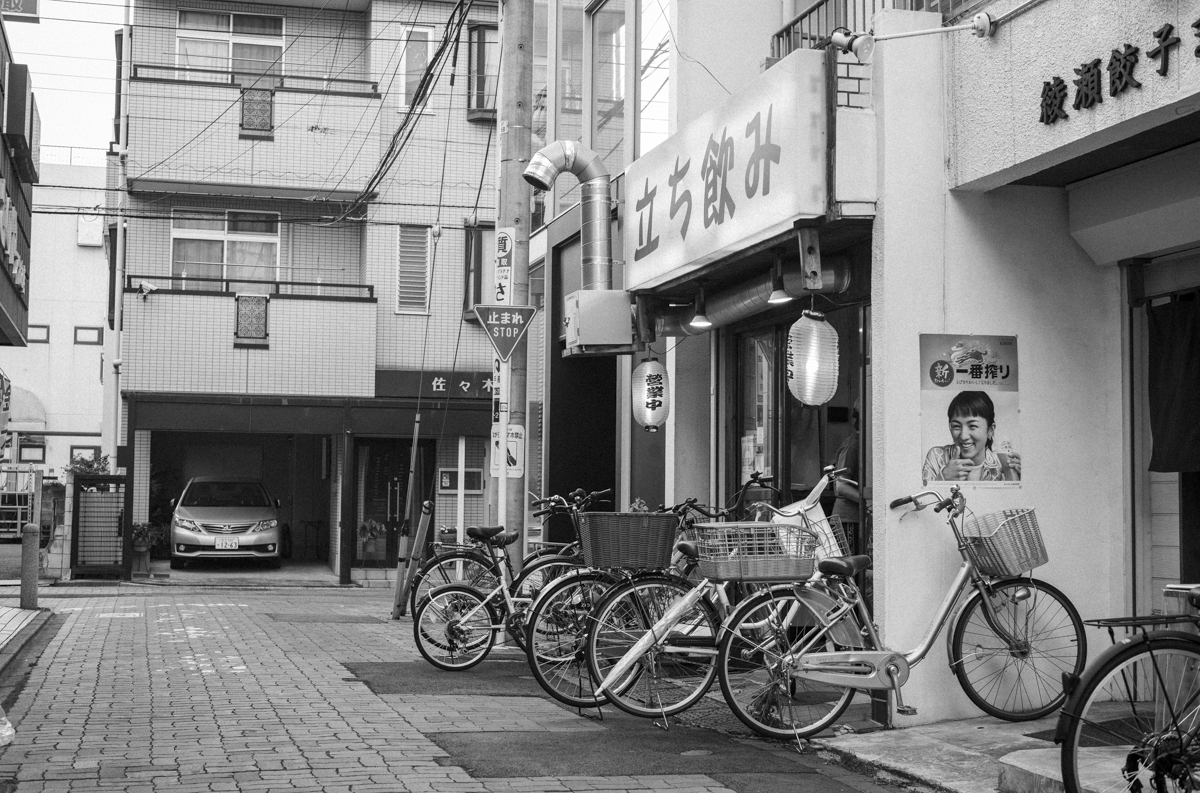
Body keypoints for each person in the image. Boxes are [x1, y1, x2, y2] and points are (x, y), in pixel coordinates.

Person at [922, 391, 1021, 484]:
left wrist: (1024, 480)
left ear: (990, 430)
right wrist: (943, 478)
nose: (963, 436)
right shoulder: (936, 456)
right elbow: (922, 498)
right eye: (956, 426)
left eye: (972, 426)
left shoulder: (1002, 463)